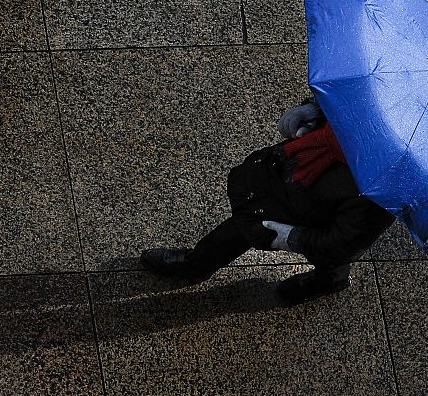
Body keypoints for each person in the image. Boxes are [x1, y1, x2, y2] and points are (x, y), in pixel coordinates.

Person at [139, 99, 395, 306]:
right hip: (283, 185)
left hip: (310, 217)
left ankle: (328, 282)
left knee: (330, 259)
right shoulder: (379, 105)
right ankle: (197, 263)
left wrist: (293, 237)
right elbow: (346, 100)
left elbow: (341, 243)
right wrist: (316, 110)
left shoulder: (382, 192)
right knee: (240, 228)